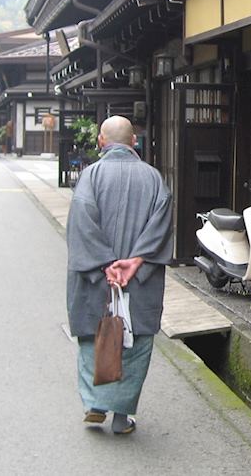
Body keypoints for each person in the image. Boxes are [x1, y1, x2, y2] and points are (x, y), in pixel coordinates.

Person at [66, 115, 173, 435]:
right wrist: (136, 261)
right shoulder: (154, 179)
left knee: (92, 337)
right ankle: (122, 417)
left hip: (96, 277)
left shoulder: (90, 176)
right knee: (136, 343)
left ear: (101, 141)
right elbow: (162, 223)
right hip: (140, 280)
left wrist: (105, 263)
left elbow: (82, 221)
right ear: (134, 142)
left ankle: (95, 404)